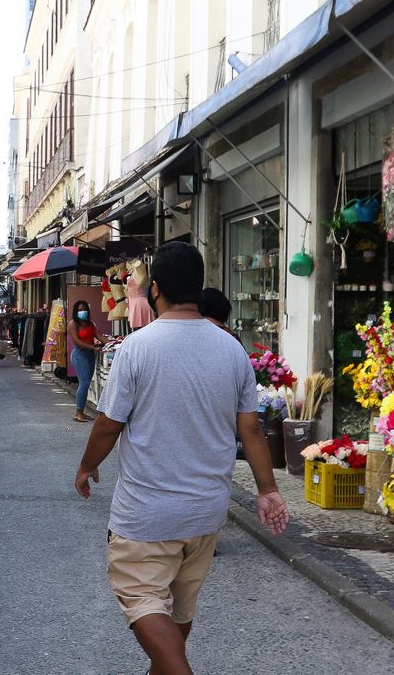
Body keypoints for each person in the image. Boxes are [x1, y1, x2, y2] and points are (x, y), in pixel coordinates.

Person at [74, 241, 288, 675]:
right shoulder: (231, 349)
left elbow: (109, 424)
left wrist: (87, 465)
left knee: (143, 598)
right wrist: (268, 489)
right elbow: (250, 429)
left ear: (155, 289)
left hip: (147, 512)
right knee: (178, 609)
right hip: (206, 512)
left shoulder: (137, 347)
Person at [66, 299, 106, 423]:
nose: (82, 311)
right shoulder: (73, 324)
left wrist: (113, 344)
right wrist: (93, 347)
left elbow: (99, 336)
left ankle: (81, 412)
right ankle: (78, 413)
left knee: (86, 384)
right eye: (80, 310)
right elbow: (77, 342)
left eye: (84, 309)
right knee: (84, 383)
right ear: (75, 311)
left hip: (90, 355)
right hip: (80, 355)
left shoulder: (90, 324)